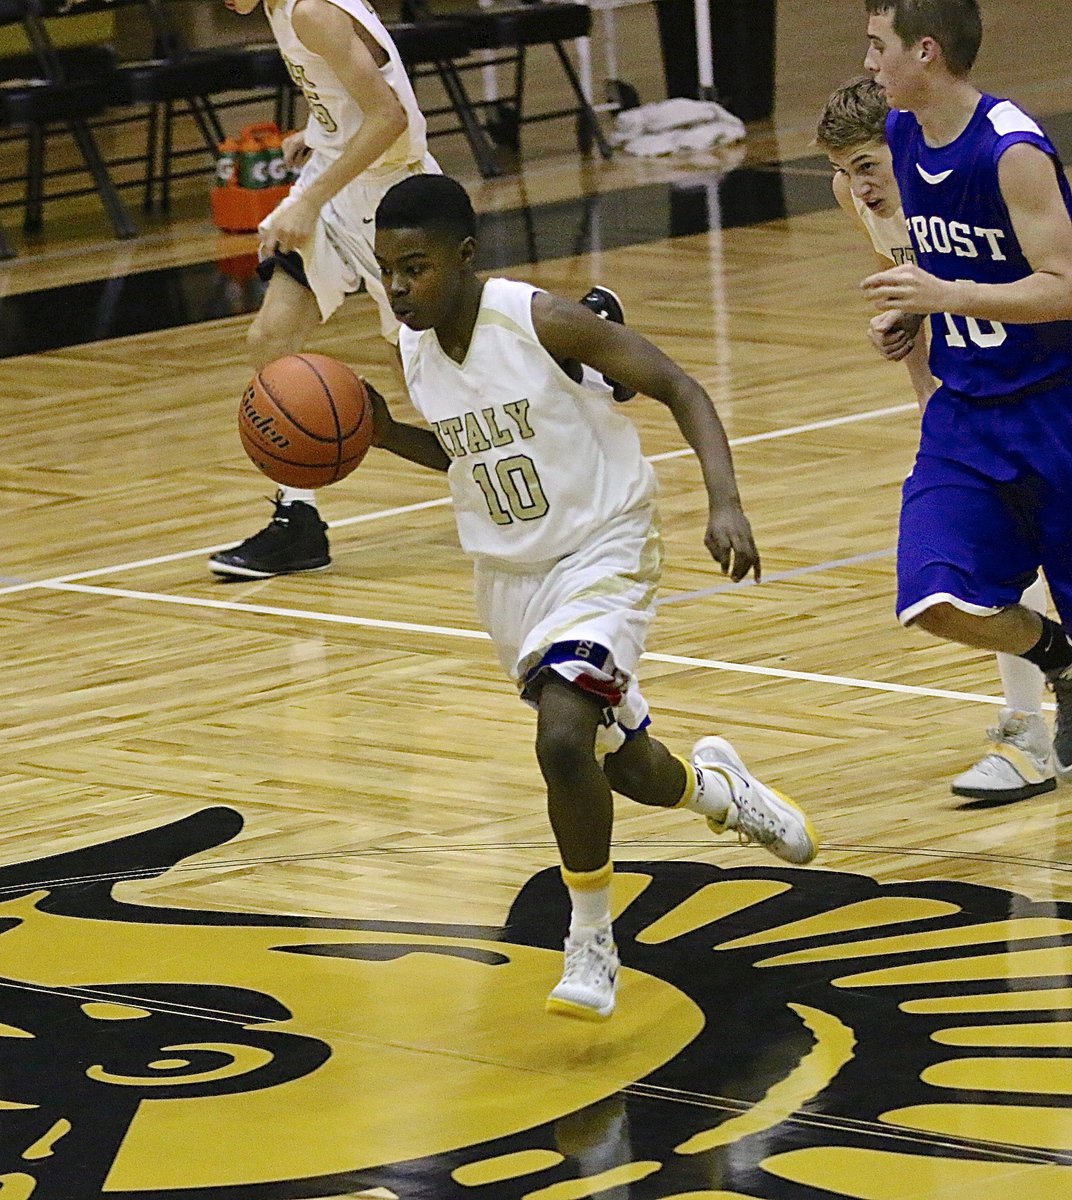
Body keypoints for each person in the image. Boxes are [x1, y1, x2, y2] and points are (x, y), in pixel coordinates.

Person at [363, 174, 819, 1021]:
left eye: (414, 268)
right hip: (509, 582)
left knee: (561, 737)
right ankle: (721, 791)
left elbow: (680, 385)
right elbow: (469, 454)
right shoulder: (415, 346)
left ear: (465, 257)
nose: (397, 287)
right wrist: (388, 435)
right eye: (387, 269)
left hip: (604, 547)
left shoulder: (539, 319)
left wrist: (725, 501)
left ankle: (591, 938)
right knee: (630, 771)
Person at [816, 74, 1054, 805]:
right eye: (843, 170)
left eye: (867, 166)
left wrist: (946, 303)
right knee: (982, 567)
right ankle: (1028, 731)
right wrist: (926, 389)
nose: (858, 188)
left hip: (1051, 383)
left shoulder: (986, 175)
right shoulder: (860, 198)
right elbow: (908, 285)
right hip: (983, 400)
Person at [859, 0, 1072, 788]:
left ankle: (1033, 732)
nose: (871, 64)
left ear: (926, 50)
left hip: (1055, 404)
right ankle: (1057, 662)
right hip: (969, 413)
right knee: (932, 594)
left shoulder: (1011, 149)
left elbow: (1064, 287)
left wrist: (945, 295)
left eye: (878, 47)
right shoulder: (902, 137)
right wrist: (907, 320)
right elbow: (941, 278)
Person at [209, 0, 439, 579]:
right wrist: (318, 132)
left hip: (394, 197)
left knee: (439, 383)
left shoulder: (311, 9)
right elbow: (364, 83)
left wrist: (307, 200)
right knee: (270, 340)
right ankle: (299, 523)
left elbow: (390, 117)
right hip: (339, 186)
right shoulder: (285, 6)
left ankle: (579, 369)